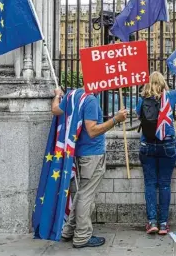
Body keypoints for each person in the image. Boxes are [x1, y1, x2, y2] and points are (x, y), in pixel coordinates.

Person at [51, 88, 128, 248]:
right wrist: (116, 119)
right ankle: (82, 236)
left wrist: (58, 95)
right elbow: (92, 131)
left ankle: (68, 231)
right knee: (86, 196)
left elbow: (55, 109)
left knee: (81, 193)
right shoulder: (91, 100)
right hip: (92, 155)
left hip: (80, 153)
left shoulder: (73, 95)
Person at [135, 71, 176, 235]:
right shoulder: (170, 96)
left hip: (147, 144)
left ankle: (152, 222)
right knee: (165, 184)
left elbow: (139, 117)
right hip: (167, 144)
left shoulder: (141, 100)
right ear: (163, 83)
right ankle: (164, 224)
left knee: (150, 183)